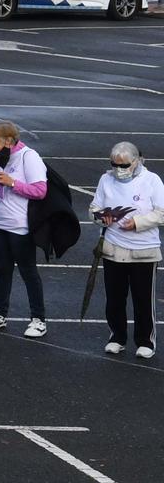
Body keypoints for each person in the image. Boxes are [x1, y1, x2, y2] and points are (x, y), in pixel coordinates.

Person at [91, 141, 162, 358]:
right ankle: (117, 337)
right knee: (115, 297)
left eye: (124, 165)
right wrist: (102, 217)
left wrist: (138, 223)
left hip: (144, 250)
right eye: (115, 165)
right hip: (113, 247)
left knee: (142, 298)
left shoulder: (152, 181)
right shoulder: (106, 179)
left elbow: (162, 212)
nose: (119, 169)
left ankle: (145, 341)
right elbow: (94, 208)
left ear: (137, 161)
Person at [0, 121, 48, 336]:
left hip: (20, 224)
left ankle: (38, 319)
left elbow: (40, 190)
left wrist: (12, 183)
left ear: (9, 140)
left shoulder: (29, 156)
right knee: (2, 269)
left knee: (28, 271)